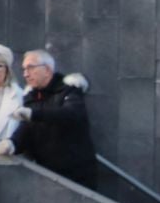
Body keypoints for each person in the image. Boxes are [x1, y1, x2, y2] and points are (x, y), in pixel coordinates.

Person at [14, 51, 99, 188]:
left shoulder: (69, 90)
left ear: (47, 70)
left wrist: (35, 114)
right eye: (24, 69)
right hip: (45, 173)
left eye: (30, 67)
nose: (25, 74)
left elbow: (71, 114)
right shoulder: (30, 97)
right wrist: (12, 143)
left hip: (76, 172)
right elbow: (26, 128)